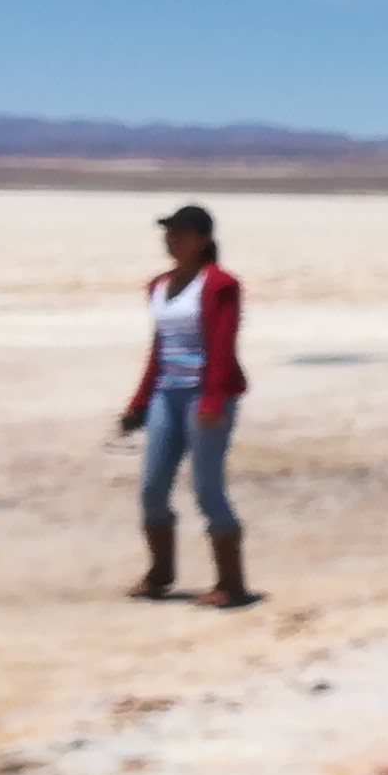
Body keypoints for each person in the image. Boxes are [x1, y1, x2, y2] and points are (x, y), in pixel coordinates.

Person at [120, 202, 253, 605]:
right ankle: (160, 573)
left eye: (180, 233)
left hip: (205, 395)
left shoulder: (220, 285)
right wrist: (139, 402)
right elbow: (159, 348)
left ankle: (231, 585)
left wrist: (212, 399)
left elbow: (222, 345)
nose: (171, 240)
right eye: (169, 233)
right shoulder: (159, 286)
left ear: (202, 239)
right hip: (167, 393)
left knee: (206, 486)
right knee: (152, 486)